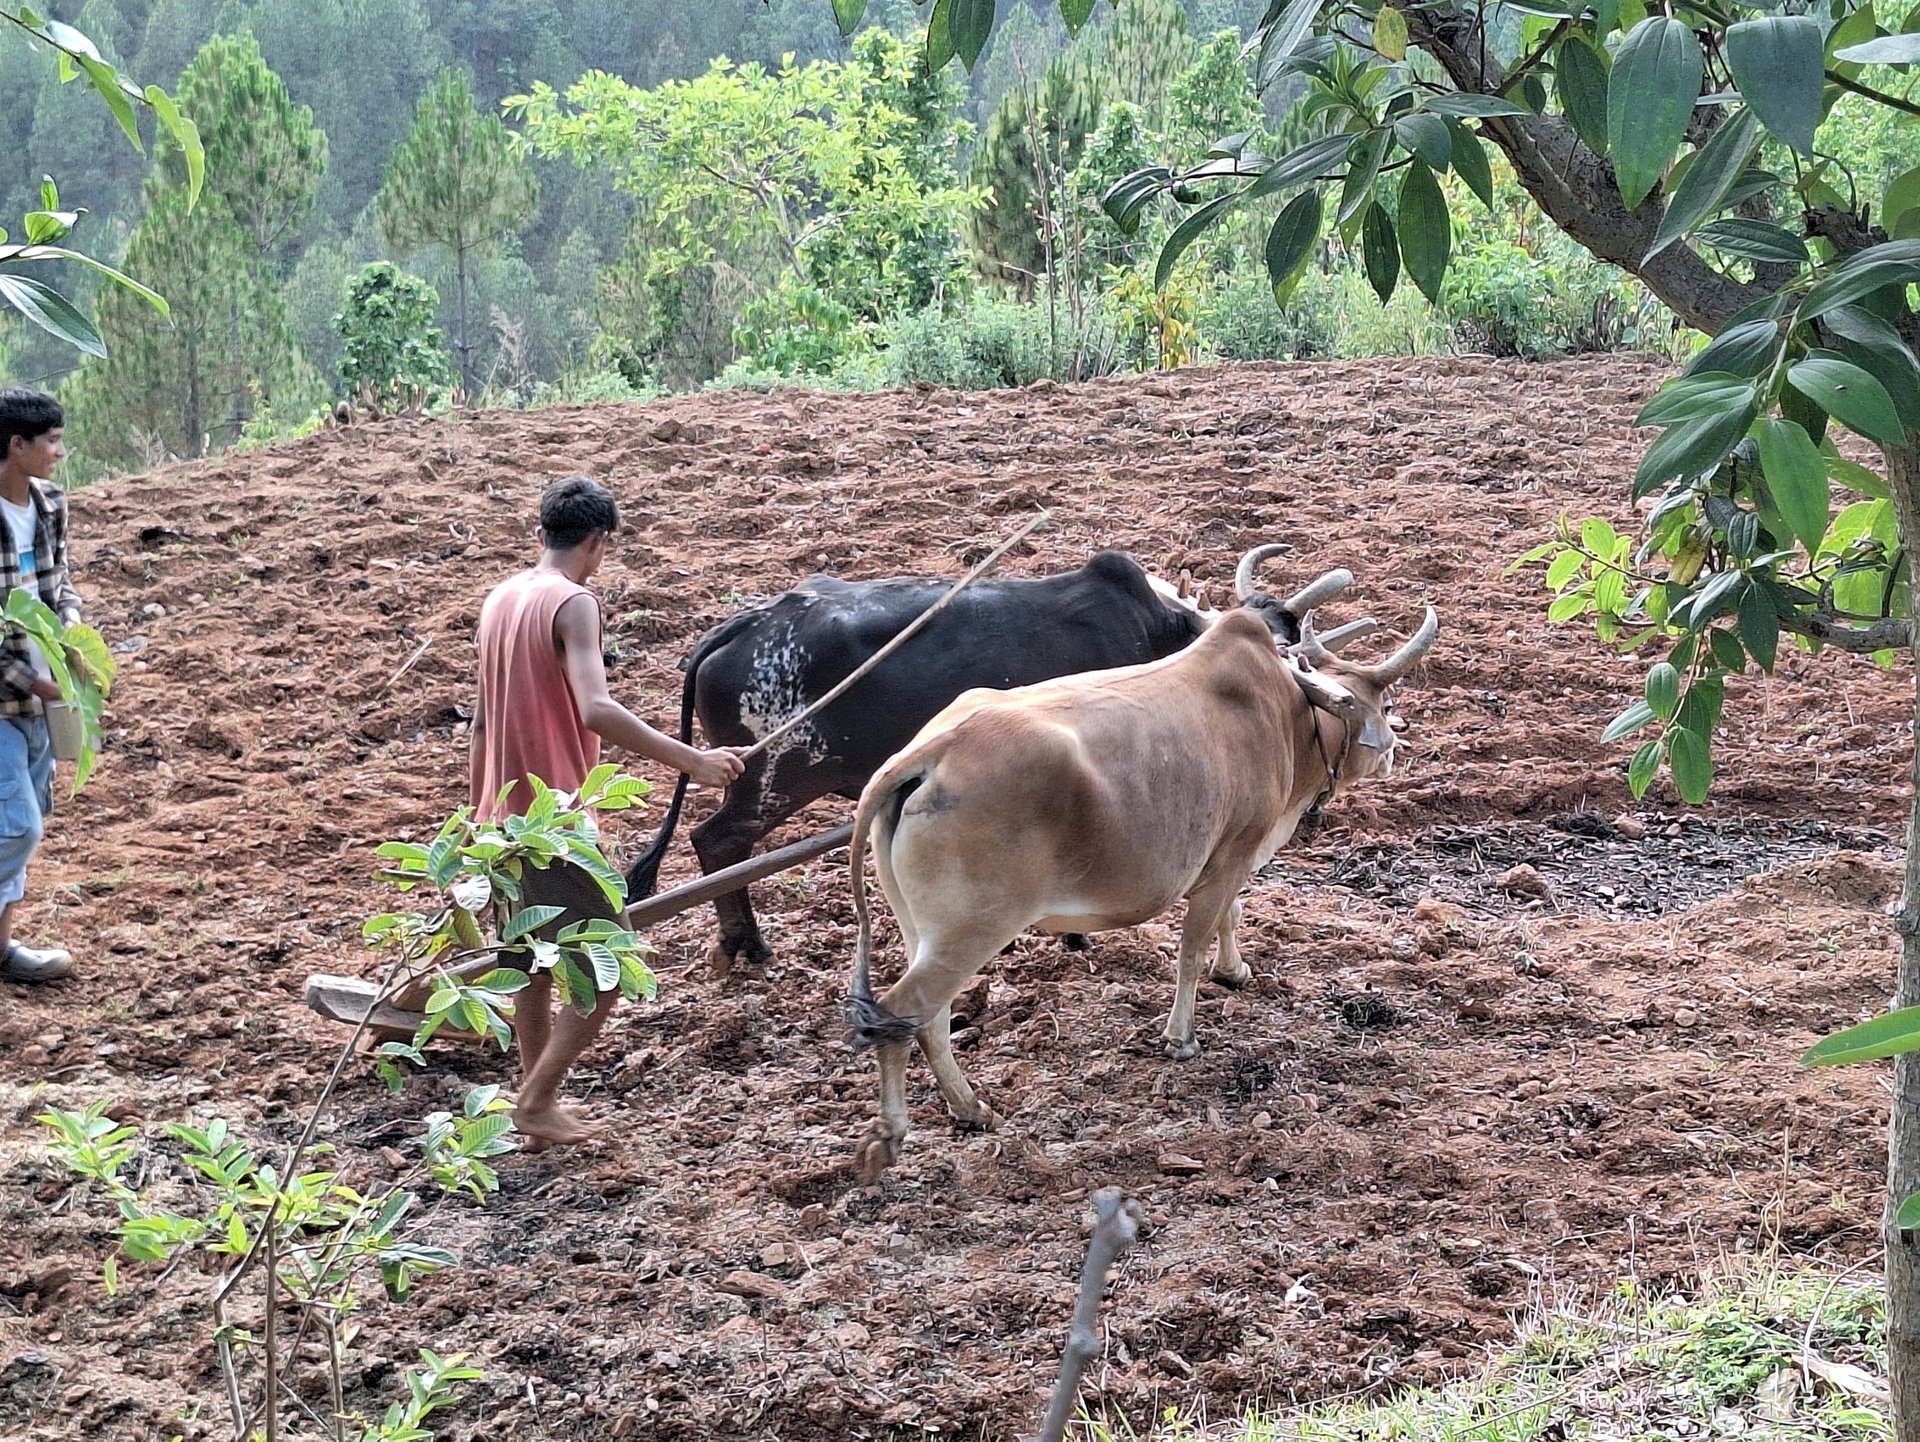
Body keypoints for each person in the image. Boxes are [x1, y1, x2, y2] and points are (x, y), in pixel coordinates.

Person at [472, 474, 744, 1145]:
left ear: (543, 534)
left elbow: (481, 723)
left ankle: (536, 1107)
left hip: (499, 818)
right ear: (598, 542)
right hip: (553, 819)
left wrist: (482, 813)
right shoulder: (574, 604)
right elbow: (596, 708)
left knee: (530, 965)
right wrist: (693, 761)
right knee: (607, 965)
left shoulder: (500, 598)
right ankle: (534, 1102)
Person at [0, 386, 83, 984]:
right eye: (50, 440)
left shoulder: (50, 503)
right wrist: (35, 682)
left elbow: (61, 586)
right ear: (16, 445)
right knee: (17, 826)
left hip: (43, 697)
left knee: (27, 822)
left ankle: (1, 950)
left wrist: (75, 635)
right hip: (8, 698)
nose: (60, 451)